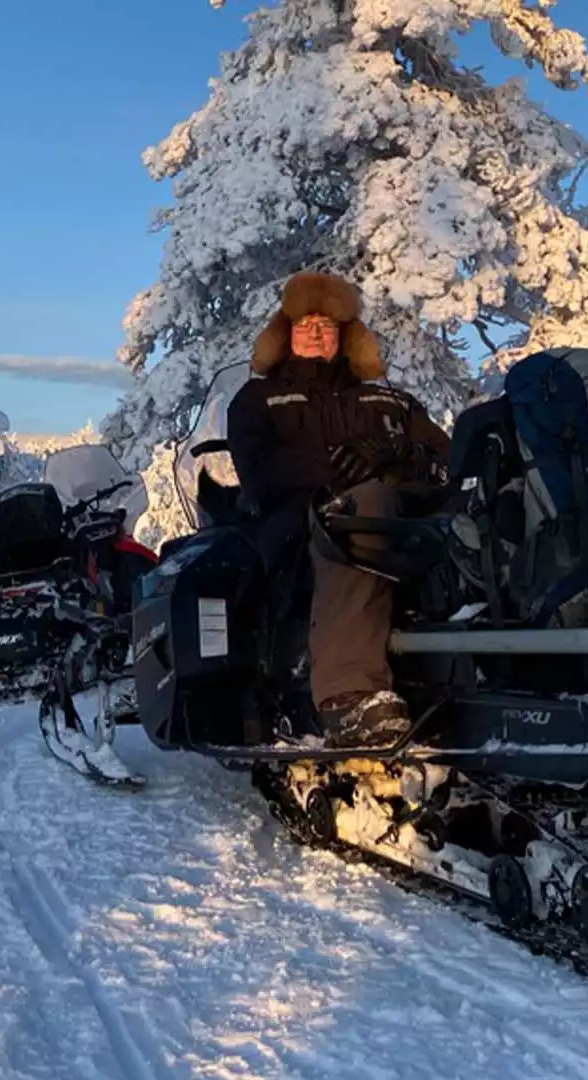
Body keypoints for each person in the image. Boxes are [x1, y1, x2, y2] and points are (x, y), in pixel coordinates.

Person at [226, 273, 451, 748]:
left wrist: (397, 454)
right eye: (305, 323)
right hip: (300, 526)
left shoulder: (388, 400)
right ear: (283, 333)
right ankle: (348, 693)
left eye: (327, 325)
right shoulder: (259, 400)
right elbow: (261, 472)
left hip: (409, 523)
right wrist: (338, 466)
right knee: (363, 509)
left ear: (346, 336)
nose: (316, 332)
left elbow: (448, 460)